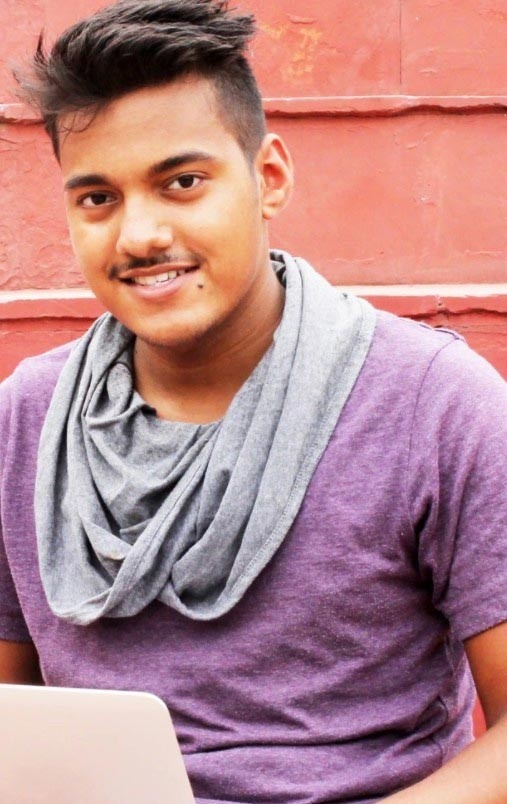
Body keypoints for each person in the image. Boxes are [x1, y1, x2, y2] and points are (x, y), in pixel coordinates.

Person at [1, 1, 506, 801]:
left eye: (182, 183)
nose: (139, 235)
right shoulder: (29, 420)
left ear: (267, 177)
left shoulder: (434, 405)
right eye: (97, 198)